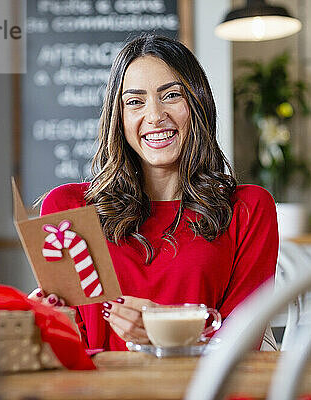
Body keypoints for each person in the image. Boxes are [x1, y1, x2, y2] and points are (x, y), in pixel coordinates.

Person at [29, 34, 279, 351]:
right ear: (118, 118)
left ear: (197, 104)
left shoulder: (249, 208)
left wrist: (166, 332)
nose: (155, 115)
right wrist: (44, 322)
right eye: (135, 101)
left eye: (171, 95)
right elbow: (71, 348)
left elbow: (243, 343)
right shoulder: (67, 211)